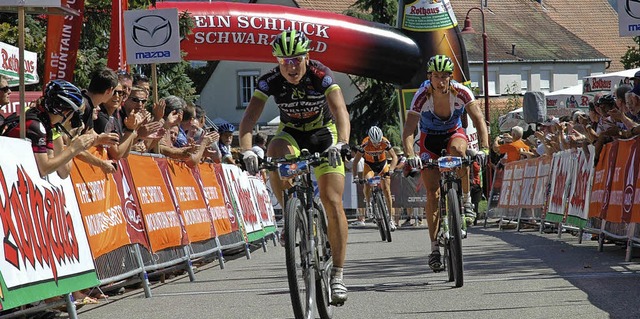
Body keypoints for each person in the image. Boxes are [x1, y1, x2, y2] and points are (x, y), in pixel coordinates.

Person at [239, 30, 350, 304]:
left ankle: (337, 274)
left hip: (324, 135)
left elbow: (340, 111)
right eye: (285, 60)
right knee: (274, 150)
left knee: (332, 201)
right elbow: (248, 119)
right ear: (277, 61)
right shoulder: (270, 81)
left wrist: (343, 143)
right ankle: (291, 212)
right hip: (291, 133)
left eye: (297, 59)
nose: (291, 66)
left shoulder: (320, 74)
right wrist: (246, 150)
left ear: (307, 57)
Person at [401, 54, 489, 272]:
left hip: (453, 134)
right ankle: (434, 249)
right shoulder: (421, 95)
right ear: (429, 77)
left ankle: (466, 201)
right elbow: (409, 131)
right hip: (428, 139)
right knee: (432, 194)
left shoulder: (460, 91)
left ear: (451, 77)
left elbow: (478, 120)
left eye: (445, 77)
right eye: (436, 76)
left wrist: (485, 148)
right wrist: (411, 154)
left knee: (460, 151)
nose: (441, 81)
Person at [3, 80, 96, 177]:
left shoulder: (46, 123)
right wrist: (74, 148)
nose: (72, 118)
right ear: (65, 112)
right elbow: (45, 168)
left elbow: (60, 169)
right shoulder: (36, 126)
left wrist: (70, 142)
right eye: (73, 113)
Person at [351, 126, 398, 231]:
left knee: (386, 190)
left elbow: (395, 157)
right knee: (367, 183)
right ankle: (368, 205)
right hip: (369, 165)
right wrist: (355, 177)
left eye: (378, 142)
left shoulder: (385, 142)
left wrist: (392, 169)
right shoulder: (365, 144)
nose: (377, 145)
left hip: (382, 164)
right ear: (370, 139)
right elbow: (355, 161)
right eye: (374, 143)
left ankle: (390, 219)